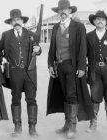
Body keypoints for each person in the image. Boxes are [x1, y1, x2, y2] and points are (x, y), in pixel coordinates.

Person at [46, 0, 94, 139]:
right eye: (60, 10)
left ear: (70, 11)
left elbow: (83, 48)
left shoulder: (78, 27)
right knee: (64, 94)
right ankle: (67, 124)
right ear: (58, 12)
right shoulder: (55, 28)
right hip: (59, 66)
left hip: (72, 66)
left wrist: (81, 67)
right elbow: (52, 48)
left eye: (65, 9)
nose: (63, 12)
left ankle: (73, 126)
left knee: (72, 95)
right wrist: (50, 64)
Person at [0, 9, 41, 138]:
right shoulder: (6, 35)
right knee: (16, 99)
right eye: (13, 20)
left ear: (22, 21)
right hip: (14, 72)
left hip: (30, 72)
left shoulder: (31, 34)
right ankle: (17, 126)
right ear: (11, 22)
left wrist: (38, 50)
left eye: (18, 20)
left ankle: (32, 127)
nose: (16, 22)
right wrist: (2, 59)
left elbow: (38, 50)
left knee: (31, 99)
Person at [86, 10, 107, 132]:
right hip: (94, 69)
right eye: (98, 19)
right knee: (95, 96)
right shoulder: (88, 36)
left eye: (103, 19)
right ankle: (93, 123)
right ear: (94, 21)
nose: (100, 21)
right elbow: (83, 54)